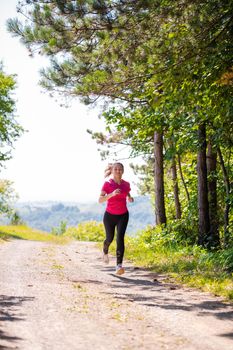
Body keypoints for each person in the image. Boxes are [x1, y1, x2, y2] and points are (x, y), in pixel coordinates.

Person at [98, 162, 134, 275]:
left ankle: (119, 265)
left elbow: (127, 193)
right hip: (109, 215)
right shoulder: (107, 184)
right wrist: (112, 194)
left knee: (120, 238)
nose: (118, 171)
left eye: (120, 169)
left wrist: (130, 198)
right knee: (110, 238)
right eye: (116, 169)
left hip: (123, 215)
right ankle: (105, 250)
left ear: (123, 171)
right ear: (112, 171)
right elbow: (100, 200)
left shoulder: (126, 184)